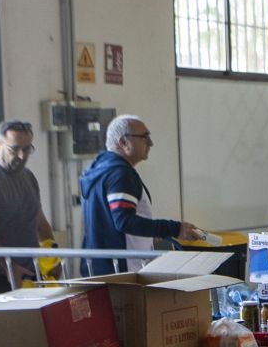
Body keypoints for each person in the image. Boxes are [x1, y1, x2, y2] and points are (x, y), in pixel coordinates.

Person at [79, 115, 204, 275]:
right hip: (121, 271)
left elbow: (110, 220)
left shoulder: (99, 170)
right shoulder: (120, 173)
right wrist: (173, 228)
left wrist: (151, 233)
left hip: (98, 267)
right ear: (123, 142)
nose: (150, 143)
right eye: (144, 137)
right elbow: (124, 221)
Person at [0, 119, 54, 296]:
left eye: (27, 149)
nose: (22, 156)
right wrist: (9, 265)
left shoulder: (28, 176)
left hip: (30, 270)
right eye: (14, 149)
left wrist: (52, 259)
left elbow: (41, 223)